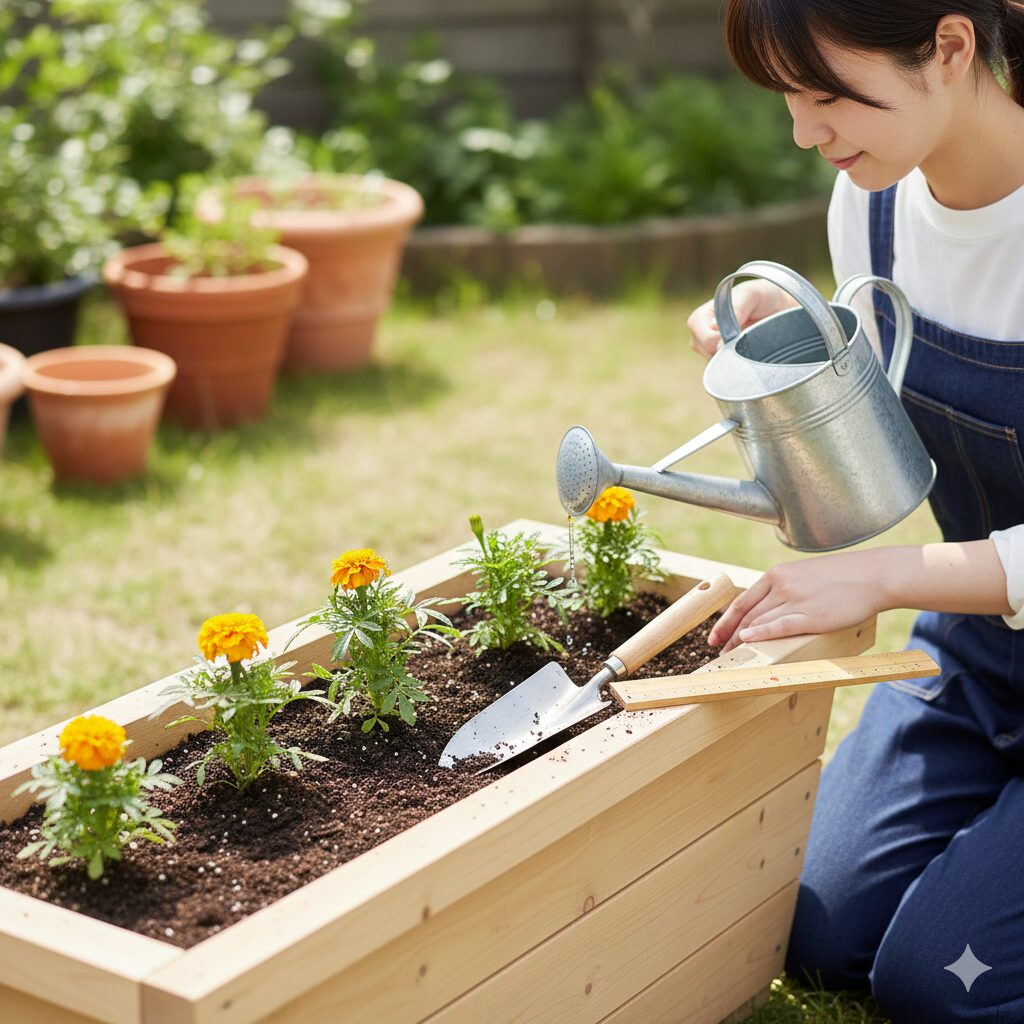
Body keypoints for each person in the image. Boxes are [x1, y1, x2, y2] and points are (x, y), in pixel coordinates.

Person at [686, 2, 1024, 1020]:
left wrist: (880, 577)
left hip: (961, 614)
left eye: (828, 93)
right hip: (983, 659)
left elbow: (879, 559)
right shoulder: (870, 208)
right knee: (810, 926)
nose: (803, 130)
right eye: (789, 96)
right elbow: (881, 449)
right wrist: (803, 357)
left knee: (942, 984)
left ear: (951, 48)